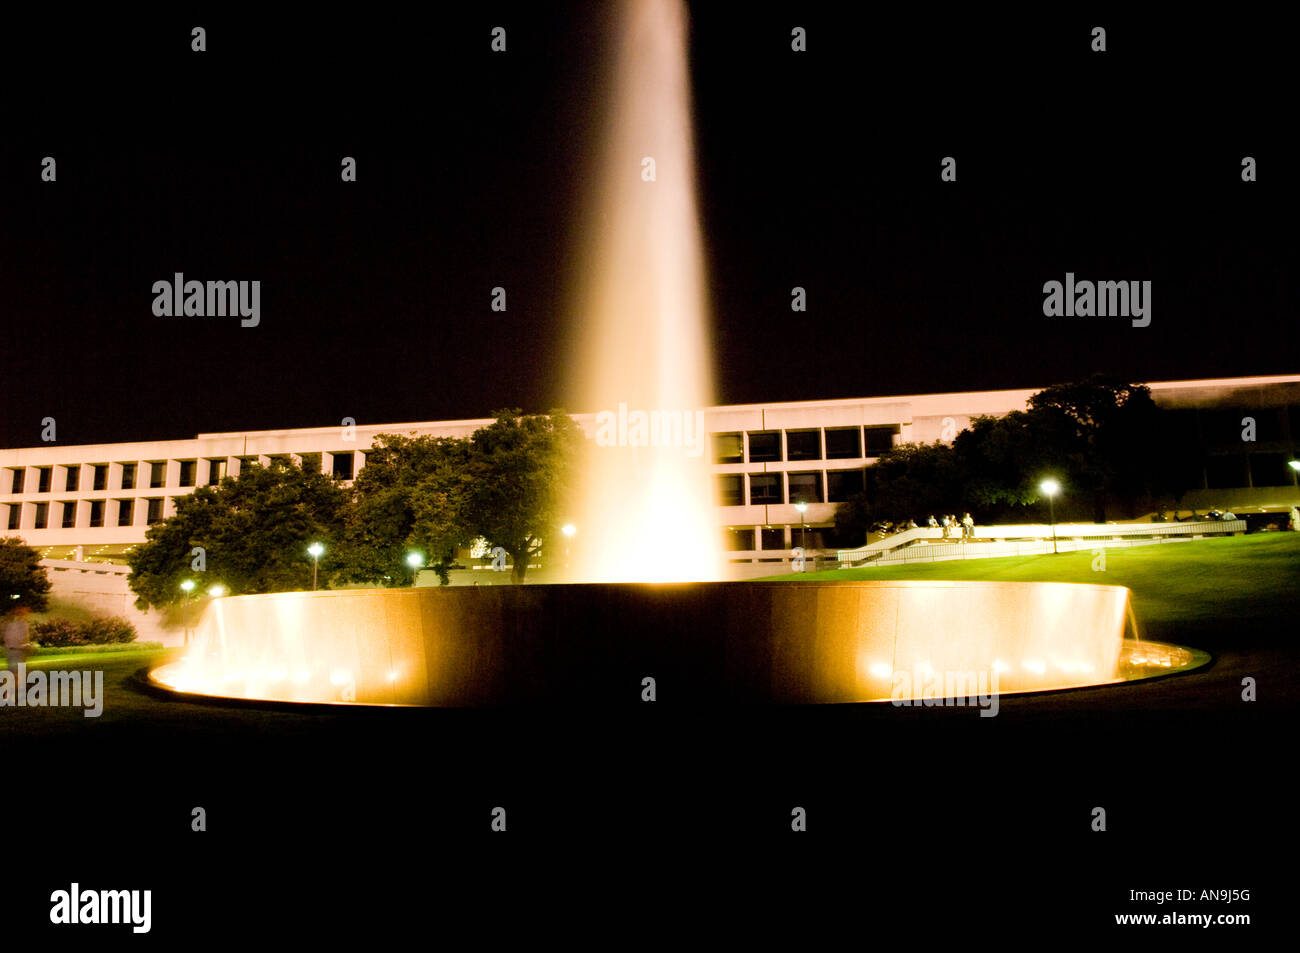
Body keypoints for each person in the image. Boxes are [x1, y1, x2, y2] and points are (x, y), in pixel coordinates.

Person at [3, 605, 32, 673]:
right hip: (14, 651)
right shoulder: (17, 624)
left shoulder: (16, 624)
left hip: (15, 651)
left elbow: (22, 638)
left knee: (16, 672)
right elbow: (22, 638)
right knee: (15, 672)